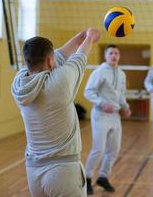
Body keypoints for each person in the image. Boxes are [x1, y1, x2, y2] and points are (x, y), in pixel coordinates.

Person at [11, 29, 101, 197]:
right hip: (63, 171)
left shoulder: (19, 84)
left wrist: (80, 37)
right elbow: (80, 55)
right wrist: (90, 38)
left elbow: (59, 55)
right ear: (50, 61)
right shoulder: (61, 80)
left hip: (33, 171)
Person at [84, 45, 131, 194]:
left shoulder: (122, 74)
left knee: (114, 150)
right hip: (100, 115)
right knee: (99, 149)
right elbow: (88, 92)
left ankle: (103, 177)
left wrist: (126, 106)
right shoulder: (99, 72)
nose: (114, 55)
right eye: (110, 53)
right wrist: (102, 103)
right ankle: (87, 178)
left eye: (116, 53)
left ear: (119, 55)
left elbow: (121, 94)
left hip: (115, 116)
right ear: (106, 56)